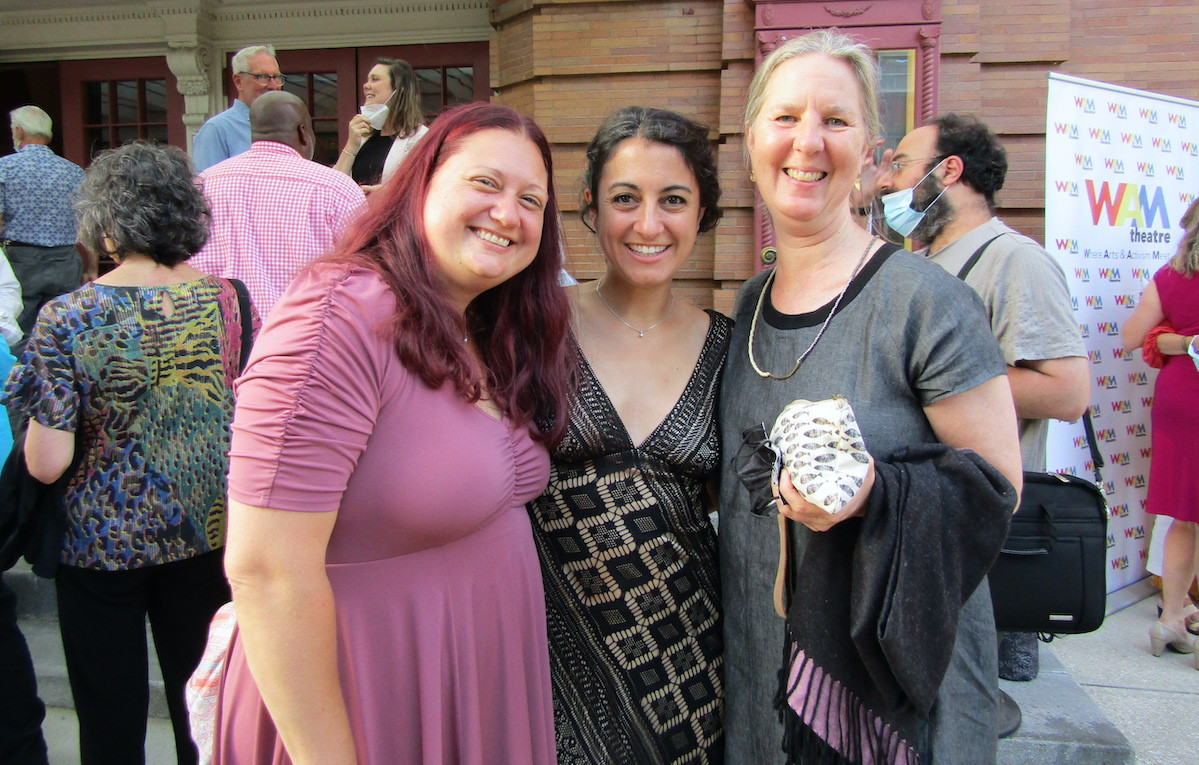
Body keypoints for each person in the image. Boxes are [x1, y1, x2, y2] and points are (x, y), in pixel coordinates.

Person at [213, 102, 574, 764]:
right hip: (365, 702)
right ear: (419, 184)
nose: (508, 213)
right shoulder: (338, 314)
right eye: (485, 183)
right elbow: (265, 570)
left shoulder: (478, 325)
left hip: (471, 688)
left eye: (531, 200)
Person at [719, 29, 1022, 764]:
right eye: (785, 118)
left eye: (835, 120)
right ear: (751, 139)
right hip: (764, 672)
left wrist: (870, 496)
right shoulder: (749, 304)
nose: (807, 142)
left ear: (869, 154)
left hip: (890, 695)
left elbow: (998, 489)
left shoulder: (925, 300)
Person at [1, 141, 255, 765]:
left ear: (105, 223)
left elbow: (46, 463)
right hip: (206, 536)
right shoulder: (229, 299)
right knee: (206, 705)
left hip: (100, 548)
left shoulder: (66, 317)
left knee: (109, 717)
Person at [526, 106, 728, 764]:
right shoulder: (534, 330)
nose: (649, 224)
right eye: (624, 199)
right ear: (589, 207)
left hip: (690, 673)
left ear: (701, 211)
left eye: (673, 199)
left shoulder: (731, 347)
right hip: (548, 665)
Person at [876, 114, 1089, 715]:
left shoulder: (1013, 261)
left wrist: (936, 384)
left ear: (948, 171)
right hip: (923, 524)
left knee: (974, 708)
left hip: (983, 526)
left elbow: (1067, 392)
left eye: (900, 165)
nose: (887, 184)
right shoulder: (921, 263)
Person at [191, 91, 365, 317]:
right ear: (303, 131)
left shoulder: (204, 184)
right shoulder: (336, 188)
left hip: (223, 334)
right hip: (305, 336)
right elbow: (366, 271)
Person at [1121, 197, 1199, 664]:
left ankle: (1171, 618)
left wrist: (1182, 339)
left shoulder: (1172, 278)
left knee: (1185, 514)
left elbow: (1131, 336)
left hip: (1179, 397)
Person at [0, 106, 86, 338]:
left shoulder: (4, 168)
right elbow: (88, 222)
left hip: (21, 260)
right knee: (64, 330)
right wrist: (93, 266)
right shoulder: (74, 172)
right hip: (65, 260)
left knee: (17, 332)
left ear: (18, 131)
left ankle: (22, 374)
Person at [332, 57, 428, 193]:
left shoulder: (420, 137)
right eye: (367, 80)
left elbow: (426, 186)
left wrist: (385, 194)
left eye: (375, 79)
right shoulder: (363, 137)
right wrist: (351, 145)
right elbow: (333, 184)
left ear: (399, 91)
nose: (366, 86)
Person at [192, 45, 284, 172]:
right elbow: (205, 186)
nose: (273, 85)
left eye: (277, 77)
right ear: (238, 81)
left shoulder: (284, 126)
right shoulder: (217, 129)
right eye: (263, 77)